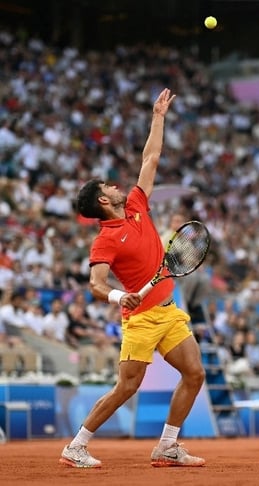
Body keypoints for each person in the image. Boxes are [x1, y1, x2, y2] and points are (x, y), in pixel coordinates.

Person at [60, 88, 206, 468]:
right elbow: (96, 282)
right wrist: (115, 297)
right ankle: (76, 445)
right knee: (127, 385)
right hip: (140, 318)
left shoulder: (138, 204)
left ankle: (168, 446)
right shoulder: (105, 240)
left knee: (195, 373)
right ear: (103, 202)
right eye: (108, 187)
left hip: (169, 311)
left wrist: (158, 117)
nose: (115, 185)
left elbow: (151, 156)